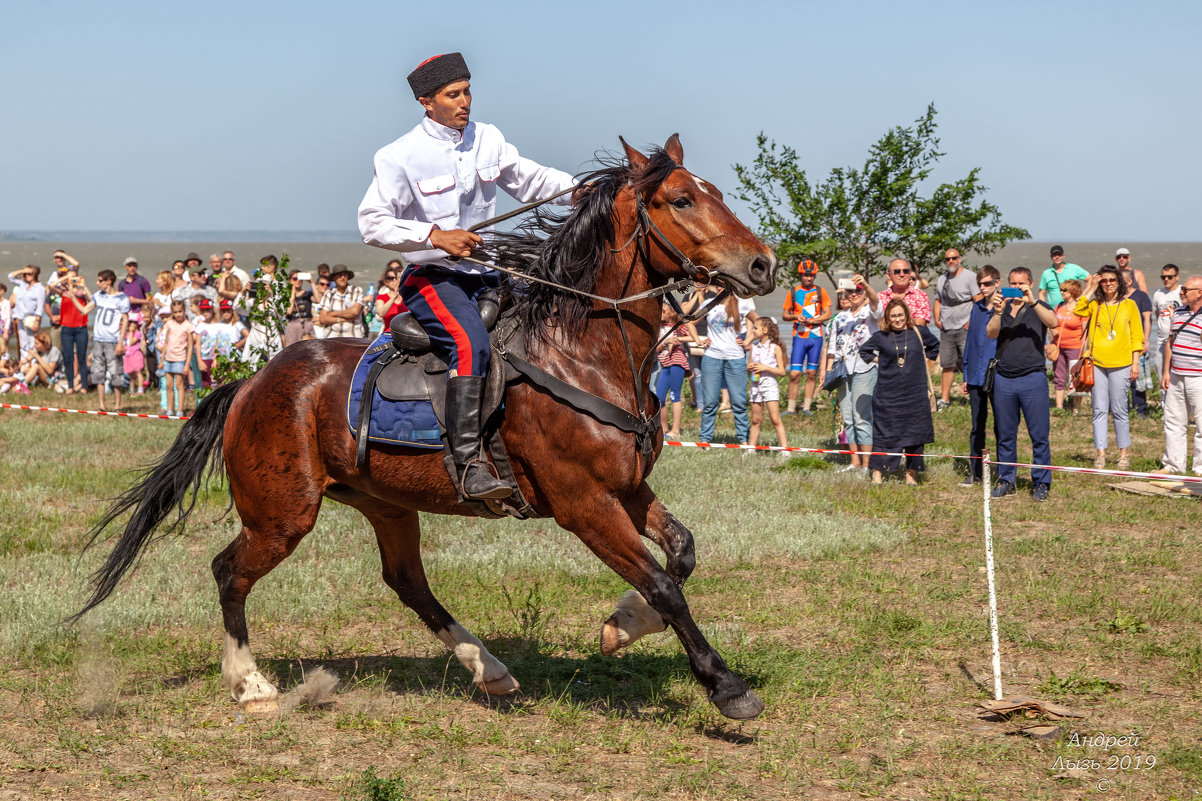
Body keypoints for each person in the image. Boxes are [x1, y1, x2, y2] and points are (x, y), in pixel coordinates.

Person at [357, 51, 576, 499]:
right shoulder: (398, 156)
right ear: (425, 101)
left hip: (490, 275)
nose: (464, 102)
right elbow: (371, 223)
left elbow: (531, 180)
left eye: (468, 91)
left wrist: (582, 191)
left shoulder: (488, 138)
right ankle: (469, 465)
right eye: (452, 95)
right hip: (435, 280)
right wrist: (435, 236)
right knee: (468, 343)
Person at [987, 267, 1059, 501]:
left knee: (1039, 434)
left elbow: (1053, 322)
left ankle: (1041, 482)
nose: (1016, 287)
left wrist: (1034, 301)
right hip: (1004, 378)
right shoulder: (1001, 306)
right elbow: (990, 333)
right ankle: (1006, 478)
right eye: (1012, 283)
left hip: (1033, 378)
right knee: (1005, 434)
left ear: (1030, 283)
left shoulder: (1038, 305)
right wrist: (997, 312)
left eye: (1021, 283)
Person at [859, 298, 940, 485]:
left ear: (906, 315)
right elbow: (864, 351)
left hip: (915, 394)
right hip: (888, 395)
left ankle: (911, 474)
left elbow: (934, 346)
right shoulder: (881, 337)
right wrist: (880, 362)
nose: (897, 319)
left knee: (915, 434)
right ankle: (877, 474)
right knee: (884, 434)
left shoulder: (919, 332)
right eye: (893, 316)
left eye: (900, 315)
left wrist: (923, 362)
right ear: (887, 318)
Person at [1076, 266, 1143, 470]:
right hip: (1097, 362)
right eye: (1104, 280)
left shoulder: (1130, 305)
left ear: (1119, 282)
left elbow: (1136, 337)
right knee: (1099, 409)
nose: (1108, 283)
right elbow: (1078, 309)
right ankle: (1100, 454)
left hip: (1122, 364)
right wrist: (1090, 286)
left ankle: (1124, 454)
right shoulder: (1095, 304)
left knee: (1120, 410)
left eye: (1112, 280)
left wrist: (1135, 362)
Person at [827, 273, 881, 474]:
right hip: (842, 371)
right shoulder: (840, 317)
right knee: (847, 418)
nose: (854, 294)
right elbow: (832, 348)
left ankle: (868, 464)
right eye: (851, 291)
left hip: (864, 368)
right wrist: (827, 371)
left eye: (858, 291)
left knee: (861, 417)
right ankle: (854, 461)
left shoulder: (870, 312)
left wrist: (866, 285)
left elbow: (877, 302)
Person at [689, 293, 759, 446]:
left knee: (739, 402)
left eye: (723, 284)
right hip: (711, 357)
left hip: (735, 358)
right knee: (710, 402)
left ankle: (744, 440)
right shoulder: (708, 303)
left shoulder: (742, 304)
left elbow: (759, 323)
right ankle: (705, 440)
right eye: (717, 284)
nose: (720, 287)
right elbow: (690, 323)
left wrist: (747, 340)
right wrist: (698, 340)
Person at [959, 265, 1001, 486]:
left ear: (997, 283)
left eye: (987, 283)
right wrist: (966, 374)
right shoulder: (975, 308)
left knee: (1001, 424)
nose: (983, 288)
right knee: (977, 425)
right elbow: (970, 344)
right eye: (980, 284)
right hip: (975, 374)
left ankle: (1003, 473)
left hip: (996, 374)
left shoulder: (1003, 308)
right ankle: (975, 471)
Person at [1160, 275, 1202, 475]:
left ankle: (1200, 468)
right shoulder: (1178, 313)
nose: (1181, 292)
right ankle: (1173, 465)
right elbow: (1170, 342)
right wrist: (1166, 372)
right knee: (1173, 421)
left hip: (1198, 377)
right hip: (1177, 376)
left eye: (1185, 289)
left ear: (1199, 293)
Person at [781, 259, 831, 416]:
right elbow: (784, 315)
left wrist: (815, 320)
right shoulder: (794, 292)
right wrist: (796, 316)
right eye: (805, 275)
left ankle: (807, 408)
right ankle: (790, 408)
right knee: (795, 373)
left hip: (816, 336)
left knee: (811, 373)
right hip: (799, 337)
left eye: (811, 276)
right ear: (801, 275)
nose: (808, 278)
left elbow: (828, 313)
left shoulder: (820, 292)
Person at [932, 248, 979, 410]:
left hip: (965, 326)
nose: (950, 261)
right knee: (947, 364)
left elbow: (978, 300)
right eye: (947, 259)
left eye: (953, 258)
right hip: (947, 328)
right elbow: (938, 300)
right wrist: (937, 320)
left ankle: (975, 397)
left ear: (959, 259)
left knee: (970, 363)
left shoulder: (970, 277)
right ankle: (944, 399)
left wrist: (971, 322)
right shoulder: (941, 279)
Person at [82, 270, 130, 413]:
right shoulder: (98, 296)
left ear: (108, 281)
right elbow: (85, 310)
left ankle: (117, 405)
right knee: (98, 372)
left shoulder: (121, 298)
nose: (97, 283)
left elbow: (125, 320)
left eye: (100, 280)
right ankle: (101, 405)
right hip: (98, 340)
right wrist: (73, 295)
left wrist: (121, 342)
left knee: (116, 373)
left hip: (112, 340)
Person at [747, 316, 788, 451]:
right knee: (755, 420)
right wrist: (750, 367)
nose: (753, 331)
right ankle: (751, 449)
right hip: (755, 385)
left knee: (775, 419)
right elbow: (749, 366)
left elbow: (782, 371)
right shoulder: (754, 347)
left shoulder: (775, 348)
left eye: (755, 328)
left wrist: (765, 368)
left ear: (765, 330)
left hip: (769, 385)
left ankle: (784, 449)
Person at [655, 301, 692, 441]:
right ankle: (664, 429)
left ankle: (676, 430)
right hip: (665, 364)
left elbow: (691, 335)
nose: (661, 314)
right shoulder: (658, 328)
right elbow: (656, 348)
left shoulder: (677, 326)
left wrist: (677, 339)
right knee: (659, 398)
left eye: (664, 311)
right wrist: (665, 341)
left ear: (671, 312)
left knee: (675, 394)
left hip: (677, 362)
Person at [1121, 265, 1154, 418]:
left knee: (1138, 378)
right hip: (1121, 343)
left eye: (1120, 281)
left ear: (1129, 281)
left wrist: (1146, 340)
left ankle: (1140, 409)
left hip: (1137, 342)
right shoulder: (1117, 298)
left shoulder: (1141, 296)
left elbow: (1147, 319)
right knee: (1122, 378)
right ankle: (1124, 408)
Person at [1048, 278, 1086, 413]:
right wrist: (1051, 333)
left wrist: (1084, 349)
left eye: (1065, 290)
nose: (1062, 292)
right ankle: (1059, 407)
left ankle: (1076, 408)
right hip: (1058, 347)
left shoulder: (1080, 308)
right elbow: (1051, 323)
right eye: (1061, 290)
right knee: (1059, 377)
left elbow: (1085, 331)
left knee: (1075, 378)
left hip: (1075, 347)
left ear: (1073, 292)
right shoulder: (1059, 306)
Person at [56, 269, 91, 394]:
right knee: (68, 357)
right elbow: (50, 286)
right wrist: (65, 278)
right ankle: (70, 385)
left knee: (82, 357)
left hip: (81, 327)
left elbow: (92, 299)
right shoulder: (65, 292)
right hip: (66, 328)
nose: (74, 281)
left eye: (75, 278)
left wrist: (83, 284)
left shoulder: (82, 292)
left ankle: (84, 386)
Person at [158, 301, 194, 416]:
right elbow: (166, 342)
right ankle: (170, 409)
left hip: (180, 358)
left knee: (179, 385)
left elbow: (190, 346)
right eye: (175, 312)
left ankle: (180, 409)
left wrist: (187, 364)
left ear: (184, 311)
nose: (178, 314)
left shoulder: (188, 326)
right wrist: (162, 359)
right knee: (168, 385)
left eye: (180, 311)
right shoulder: (169, 324)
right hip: (169, 358)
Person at [313, 266, 364, 339]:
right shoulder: (329, 294)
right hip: (332, 337)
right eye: (339, 275)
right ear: (334, 278)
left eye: (345, 275)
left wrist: (332, 314)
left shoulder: (356, 290)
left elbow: (355, 312)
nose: (342, 277)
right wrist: (343, 318)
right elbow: (322, 319)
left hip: (353, 337)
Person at [877, 258, 931, 325]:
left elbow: (920, 325)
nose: (902, 274)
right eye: (897, 271)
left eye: (905, 271)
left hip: (912, 334)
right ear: (888, 275)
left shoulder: (921, 296)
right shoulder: (879, 297)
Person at [7, 265, 46, 357]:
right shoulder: (23, 285)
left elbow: (40, 306)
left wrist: (37, 320)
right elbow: (10, 276)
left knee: (32, 343)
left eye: (29, 274)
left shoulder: (39, 288)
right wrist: (22, 270)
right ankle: (24, 364)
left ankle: (33, 363)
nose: (27, 275)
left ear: (35, 274)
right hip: (20, 317)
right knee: (23, 343)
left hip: (31, 318)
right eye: (25, 274)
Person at [1152, 264, 1183, 374]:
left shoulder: (1182, 291)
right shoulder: (1158, 294)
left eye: (1169, 277)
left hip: (1179, 340)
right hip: (1162, 340)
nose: (1166, 279)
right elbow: (1157, 314)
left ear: (1177, 277)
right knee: (1160, 369)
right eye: (1163, 277)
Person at [284, 269, 317, 345]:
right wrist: (292, 294)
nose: (298, 281)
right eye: (295, 279)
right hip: (293, 326)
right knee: (292, 351)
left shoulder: (307, 294)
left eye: (300, 279)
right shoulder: (286, 296)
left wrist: (312, 283)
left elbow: (318, 300)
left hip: (307, 325)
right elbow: (288, 312)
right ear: (290, 280)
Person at [372, 265, 406, 332]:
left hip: (406, 334)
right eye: (390, 278)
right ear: (386, 282)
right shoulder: (382, 297)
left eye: (396, 277)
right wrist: (393, 297)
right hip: (389, 333)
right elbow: (381, 313)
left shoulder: (406, 296)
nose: (394, 280)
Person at [122, 317, 147, 394]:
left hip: (136, 354)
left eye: (134, 323)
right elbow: (126, 343)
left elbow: (132, 342)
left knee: (138, 372)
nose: (132, 324)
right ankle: (131, 389)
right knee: (131, 374)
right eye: (131, 322)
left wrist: (132, 332)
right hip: (129, 355)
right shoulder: (127, 334)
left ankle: (140, 390)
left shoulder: (138, 333)